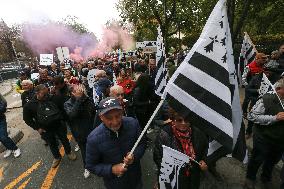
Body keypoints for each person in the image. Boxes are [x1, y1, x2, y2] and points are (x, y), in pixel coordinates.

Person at [86, 97, 146, 189]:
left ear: (122, 112)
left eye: (118, 116)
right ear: (101, 117)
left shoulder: (133, 124)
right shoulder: (93, 138)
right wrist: (111, 169)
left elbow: (142, 144)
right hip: (114, 184)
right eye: (109, 118)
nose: (115, 122)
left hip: (136, 178)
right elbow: (91, 165)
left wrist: (134, 156)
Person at [153, 107, 208, 189]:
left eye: (187, 120)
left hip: (193, 178)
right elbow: (158, 157)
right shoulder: (164, 135)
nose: (183, 123)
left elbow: (204, 149)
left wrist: (204, 160)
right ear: (173, 120)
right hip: (173, 179)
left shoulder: (198, 133)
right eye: (179, 120)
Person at [23, 84, 76, 168]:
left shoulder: (53, 98)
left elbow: (63, 110)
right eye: (43, 95)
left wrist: (65, 121)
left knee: (64, 139)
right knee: (52, 143)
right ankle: (57, 157)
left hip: (59, 125)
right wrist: (37, 128)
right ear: (37, 93)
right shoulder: (29, 105)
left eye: (47, 94)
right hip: (45, 129)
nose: (46, 96)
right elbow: (27, 119)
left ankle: (69, 152)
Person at [244, 78, 284, 189]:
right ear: (279, 89)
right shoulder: (266, 99)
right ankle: (250, 178)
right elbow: (252, 116)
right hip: (264, 137)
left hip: (280, 140)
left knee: (273, 160)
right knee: (257, 158)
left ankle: (266, 177)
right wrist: (275, 118)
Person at [64, 84, 96, 178]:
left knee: (95, 147)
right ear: (72, 93)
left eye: (81, 90)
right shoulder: (68, 103)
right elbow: (72, 115)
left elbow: (93, 110)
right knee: (84, 150)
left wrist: (85, 98)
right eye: (78, 91)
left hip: (92, 128)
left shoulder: (87, 99)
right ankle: (87, 167)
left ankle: (97, 162)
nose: (81, 92)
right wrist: (78, 100)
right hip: (80, 131)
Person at [0, 93, 21, 158]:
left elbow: (3, 103)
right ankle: (9, 148)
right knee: (1, 138)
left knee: (3, 137)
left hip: (0, 119)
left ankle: (15, 148)